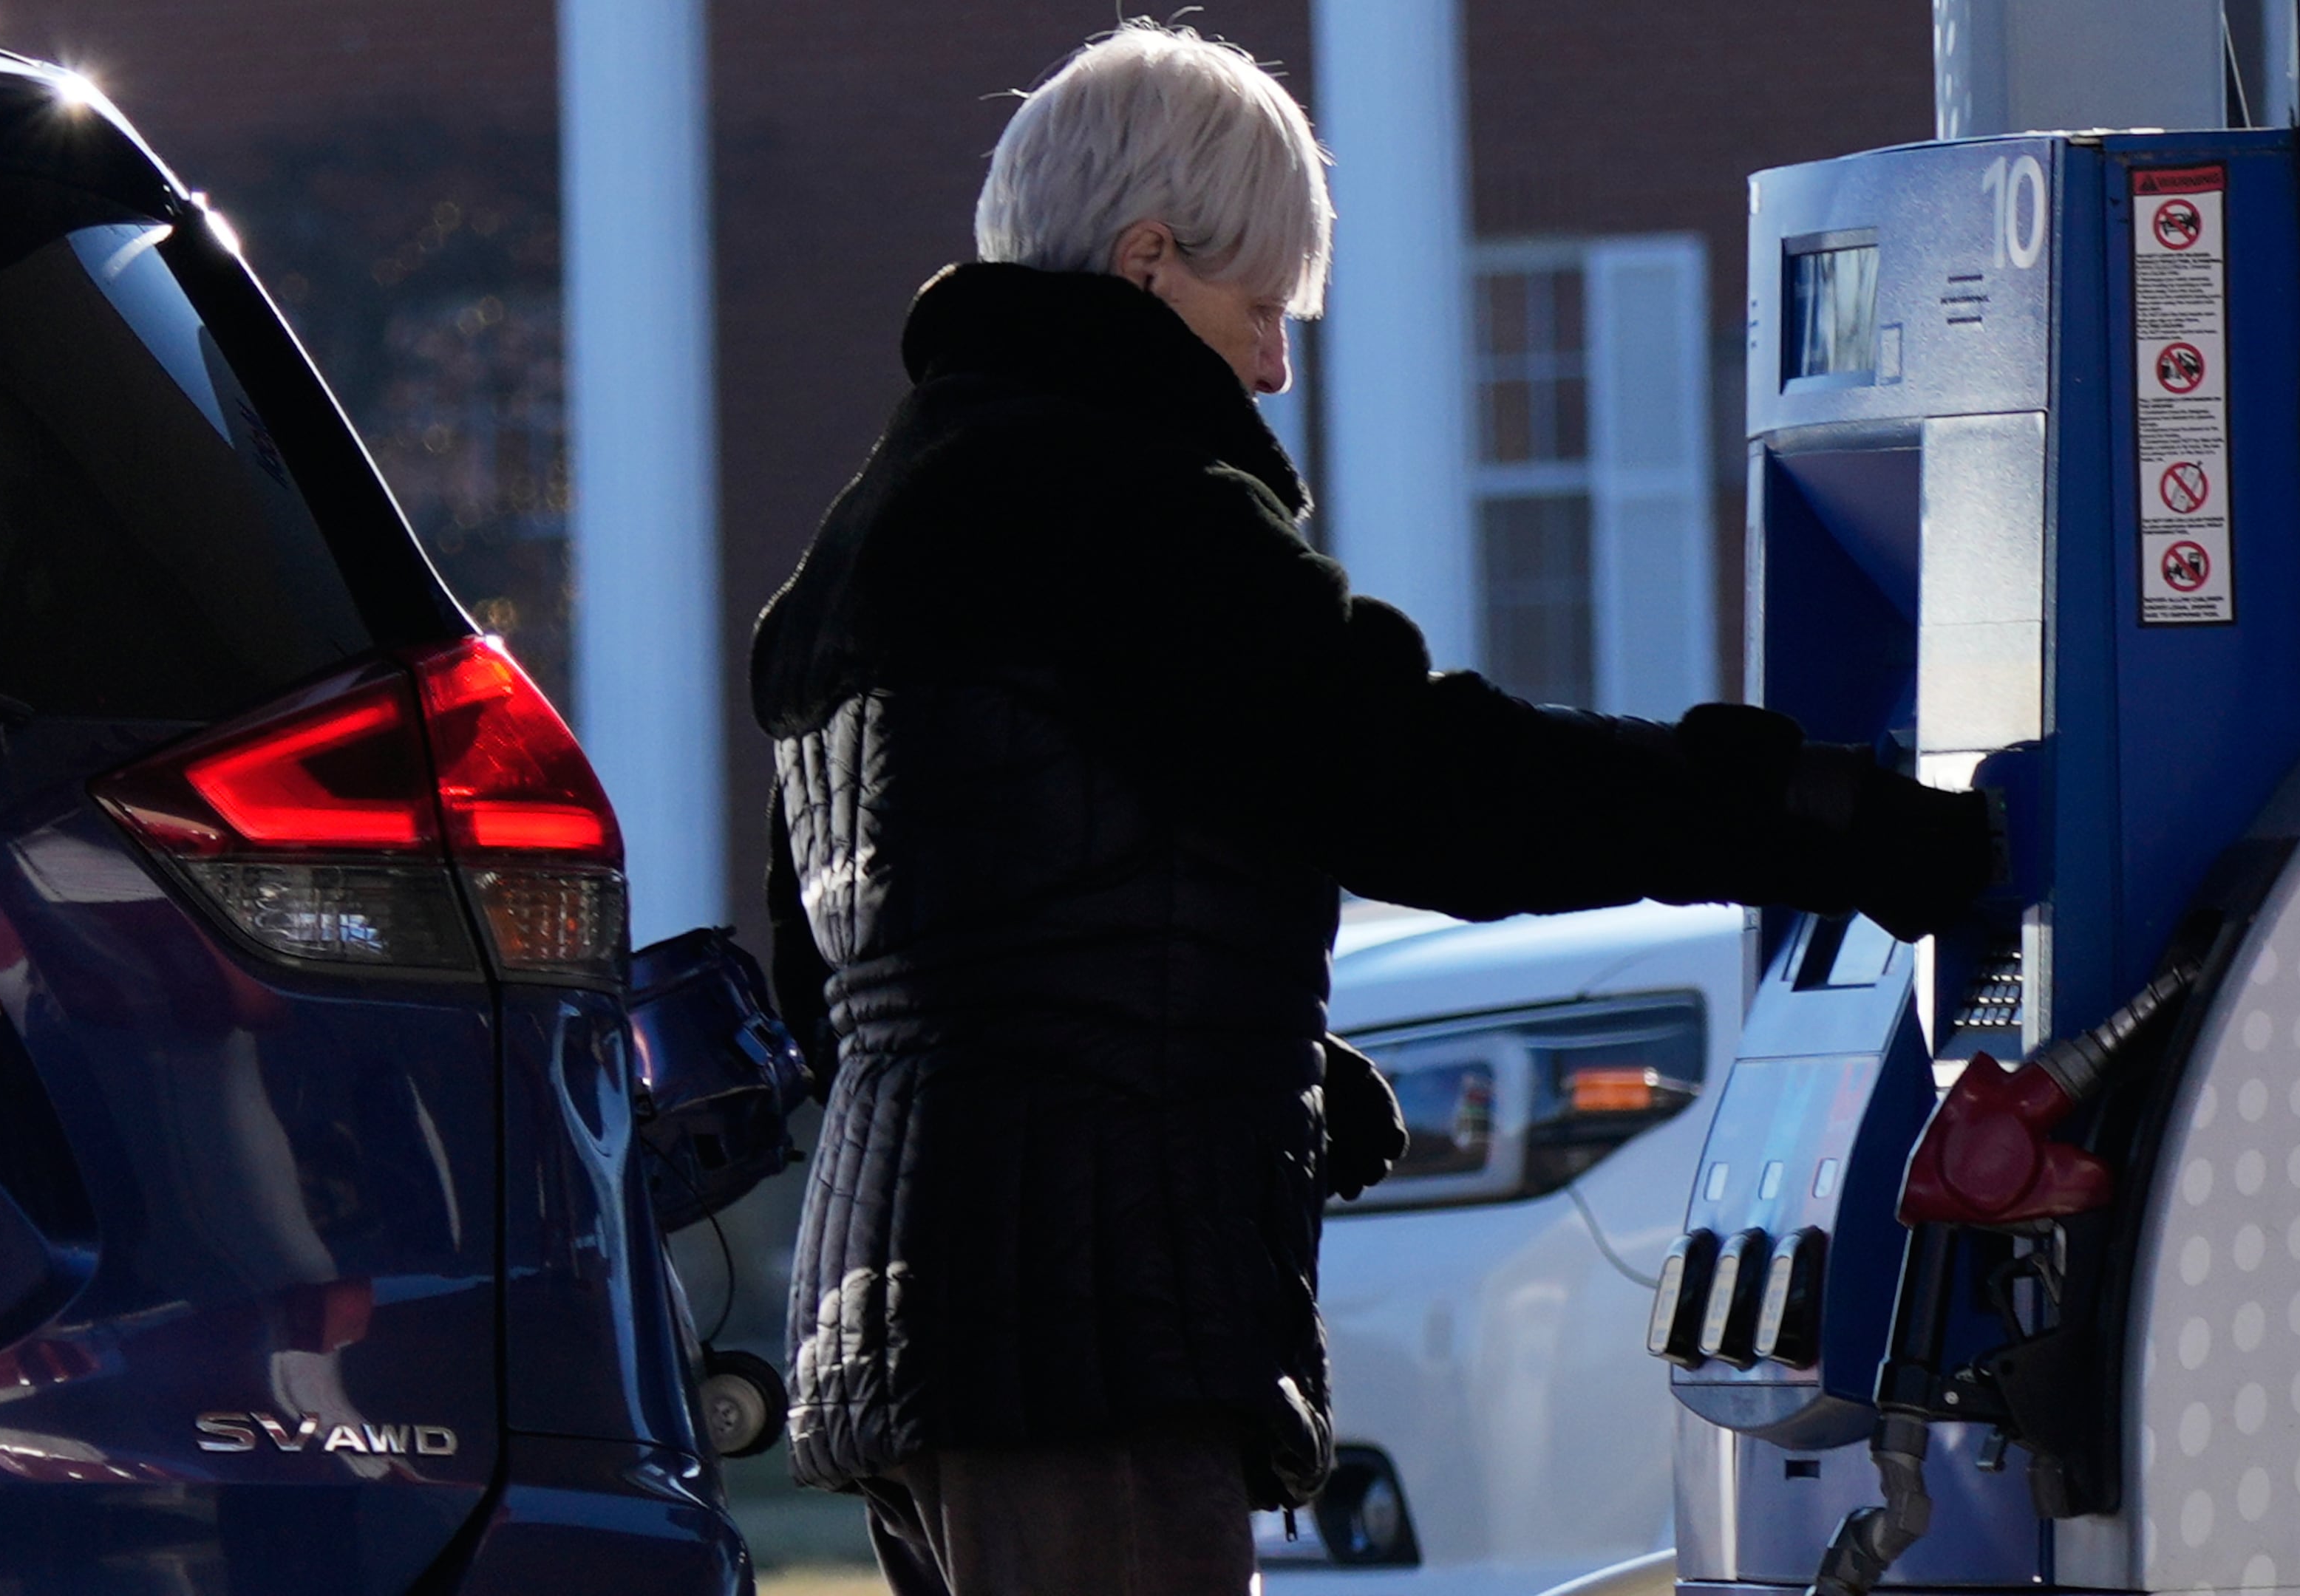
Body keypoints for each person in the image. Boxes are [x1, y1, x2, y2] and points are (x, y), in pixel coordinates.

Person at [750, 23, 1993, 1596]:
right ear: (1146, 265)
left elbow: (867, 978)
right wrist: (1810, 815)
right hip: (1089, 1312)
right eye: (1258, 306)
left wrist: (1250, 1043)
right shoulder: (1122, 511)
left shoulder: (851, 563)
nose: (1275, 364)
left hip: (907, 1306)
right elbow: (1433, 787)